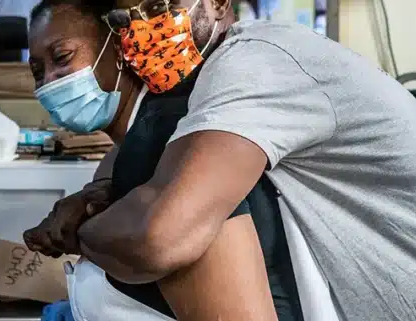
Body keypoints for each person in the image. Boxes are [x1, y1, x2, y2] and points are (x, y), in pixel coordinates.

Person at [30, 0, 416, 320]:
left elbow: (160, 237)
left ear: (217, 2)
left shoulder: (253, 64)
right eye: (122, 18)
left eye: (159, 6)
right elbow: (131, 164)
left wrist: (81, 234)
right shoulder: (194, 94)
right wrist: (98, 197)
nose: (142, 28)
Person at [25, 1, 301, 320]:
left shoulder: (168, 133)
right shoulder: (133, 146)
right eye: (37, 72)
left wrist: (82, 230)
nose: (50, 82)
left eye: (62, 57)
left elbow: (160, 243)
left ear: (117, 49)